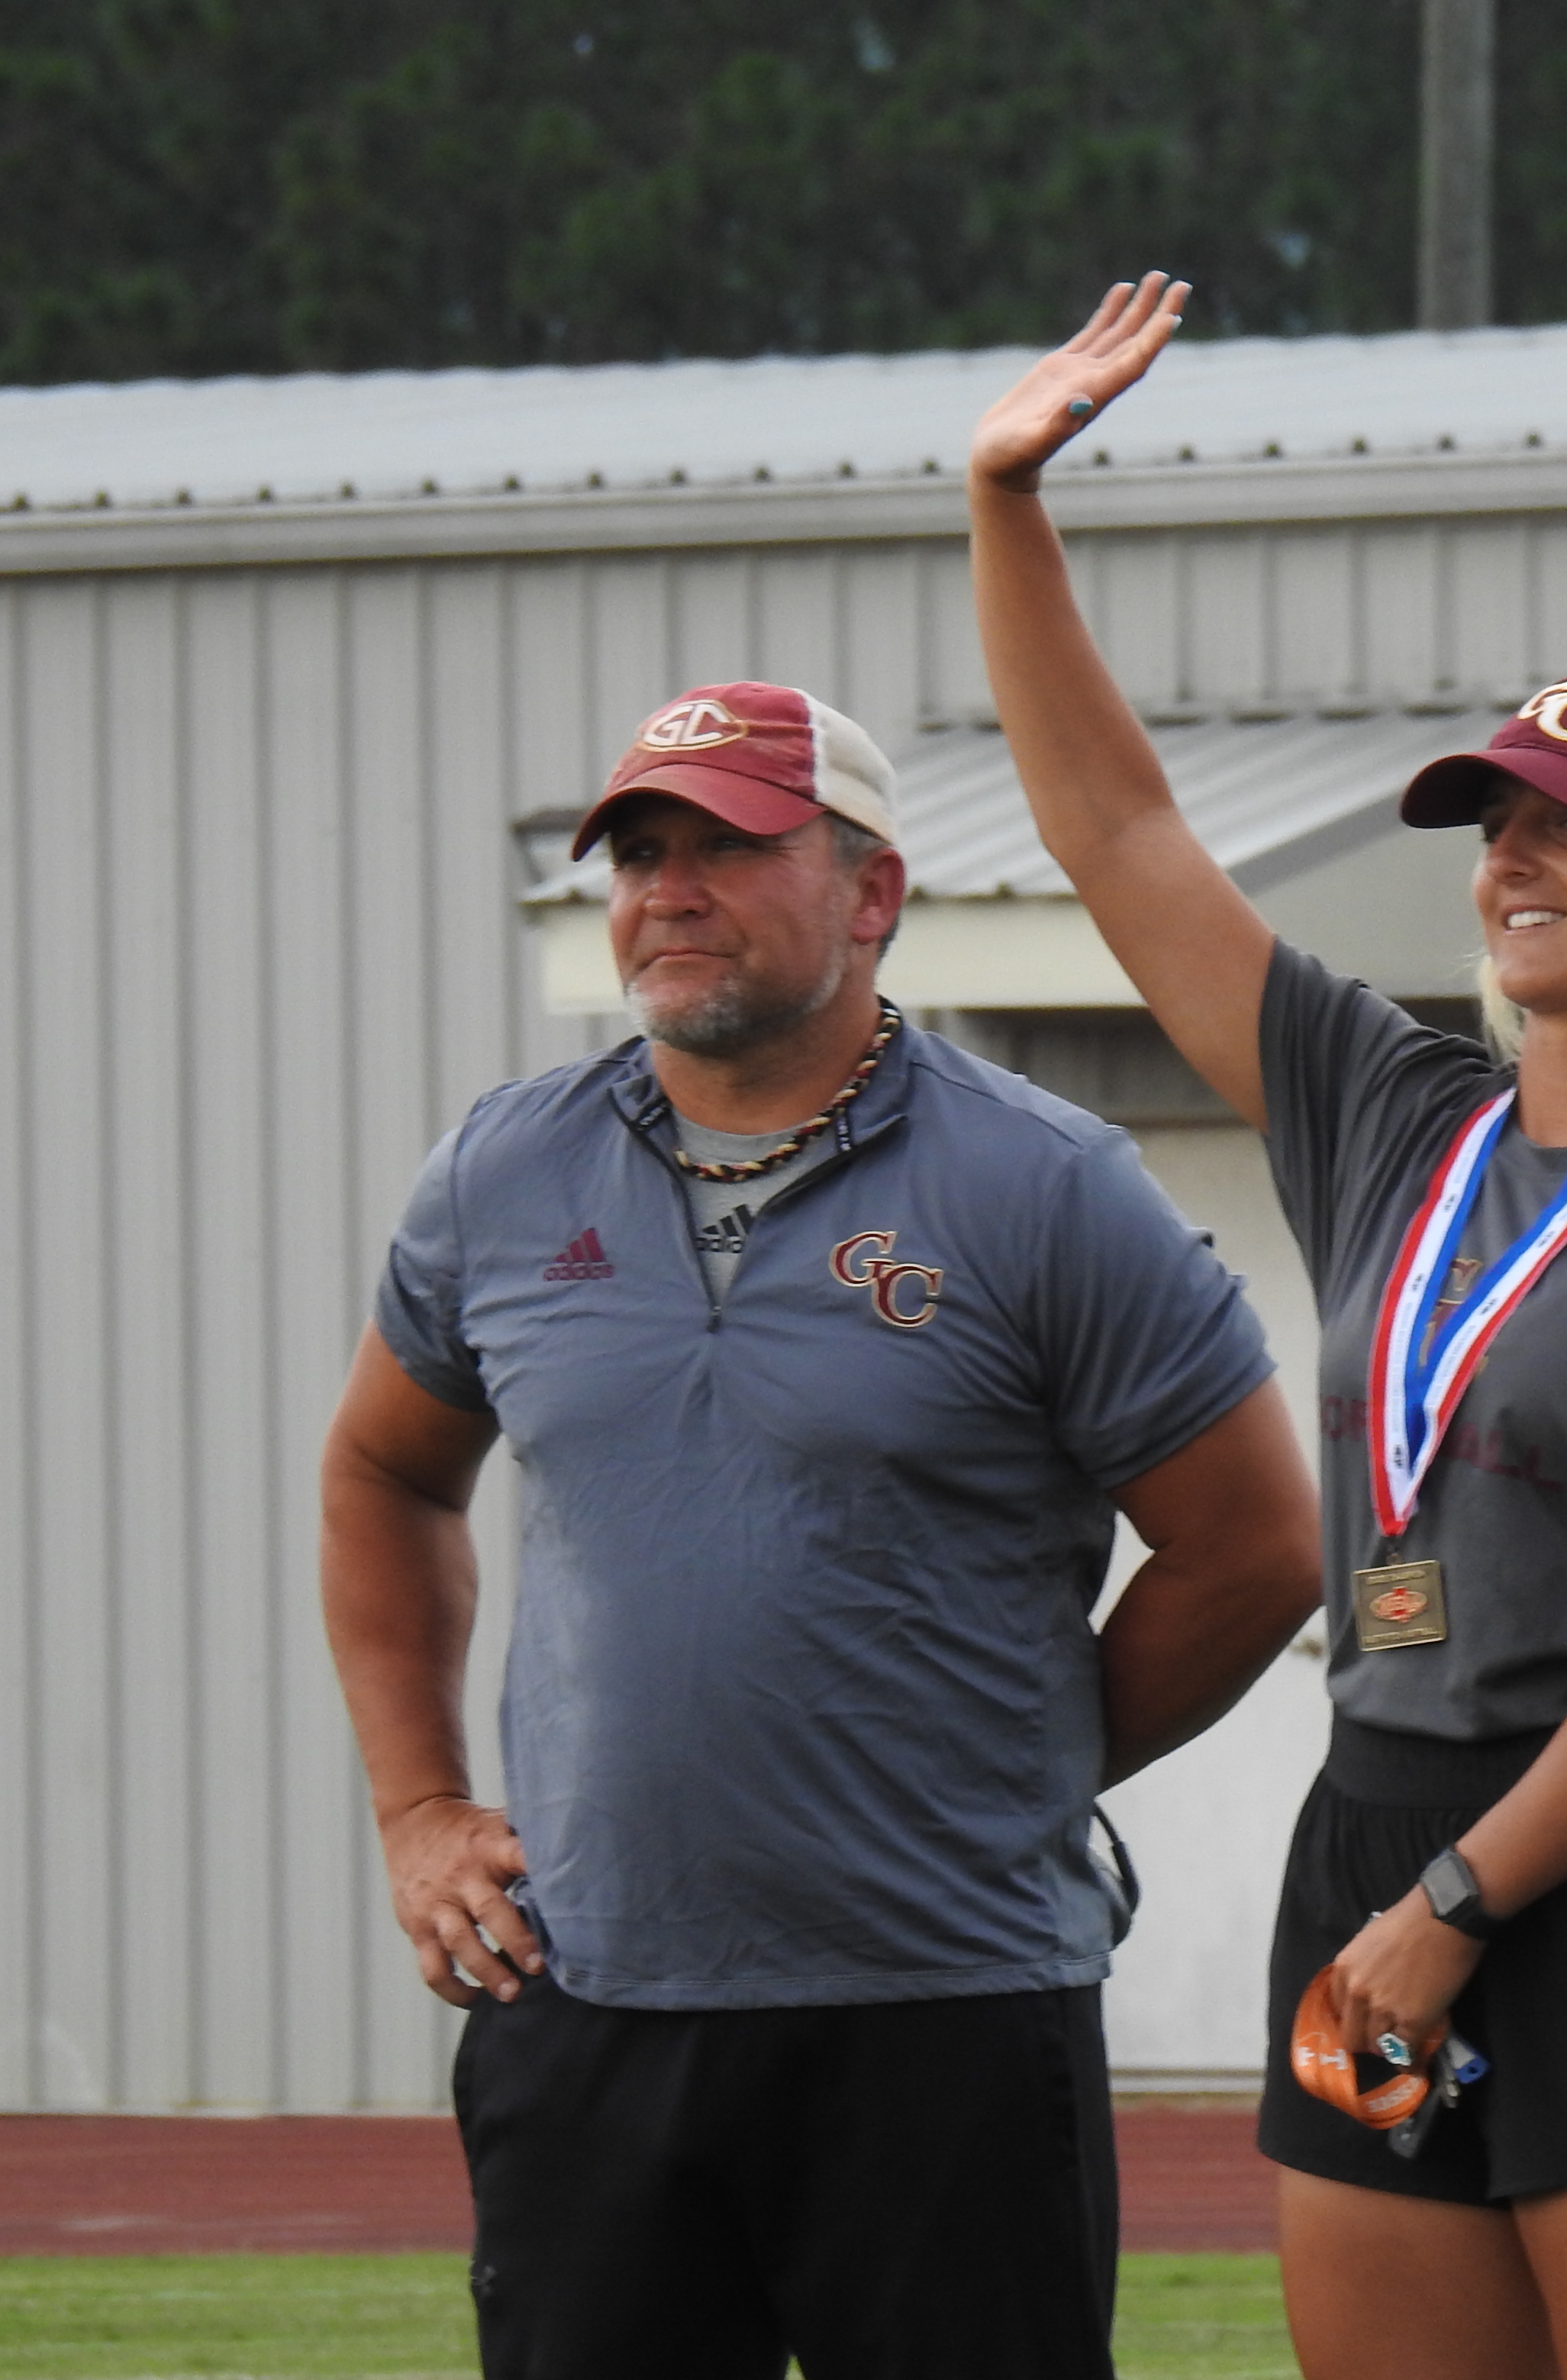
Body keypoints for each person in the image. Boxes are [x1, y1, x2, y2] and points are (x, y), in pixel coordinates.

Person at [966, 275, 1567, 2380]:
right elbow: (1116, 836)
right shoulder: (1400, 1119)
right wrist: (1006, 504)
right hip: (1370, 1824)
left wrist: (1460, 1909)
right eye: (1498, 824)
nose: (1516, 859)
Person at [321, 680, 1324, 2380]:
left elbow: (1256, 1550)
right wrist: (420, 1808)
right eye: (642, 851)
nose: (671, 888)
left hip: (943, 2013)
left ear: (873, 893)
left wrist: (1021, 1758)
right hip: (591, 2005)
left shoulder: (1044, 1183)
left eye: (731, 846)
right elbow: (385, 1476)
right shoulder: (502, 1171)